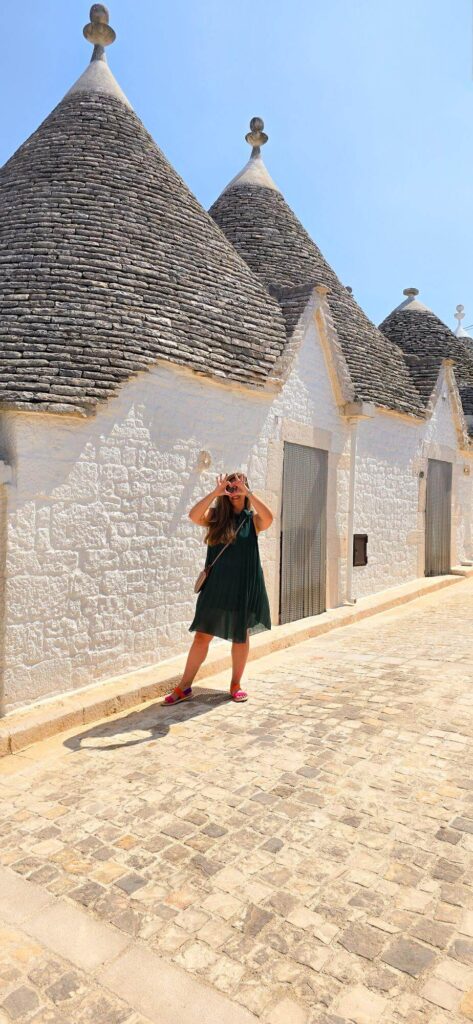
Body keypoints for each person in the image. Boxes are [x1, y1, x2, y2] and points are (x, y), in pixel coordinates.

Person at [163, 472, 274, 705]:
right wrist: (215, 492)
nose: (234, 492)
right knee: (203, 635)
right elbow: (194, 516)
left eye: (238, 487)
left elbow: (270, 518)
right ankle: (184, 686)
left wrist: (249, 493)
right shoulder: (216, 516)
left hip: (243, 584)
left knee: (240, 635)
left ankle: (235, 685)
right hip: (216, 585)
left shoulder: (252, 520)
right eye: (230, 488)